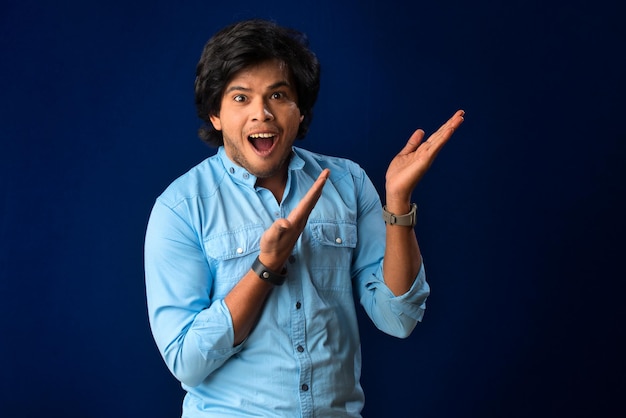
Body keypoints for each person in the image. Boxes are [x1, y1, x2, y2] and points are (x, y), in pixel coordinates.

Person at [144, 18, 464, 417]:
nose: (262, 113)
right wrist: (266, 267)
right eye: (240, 98)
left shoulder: (348, 183)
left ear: (300, 110)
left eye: (278, 95)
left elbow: (397, 318)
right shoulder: (180, 207)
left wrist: (398, 203)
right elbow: (186, 362)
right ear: (215, 114)